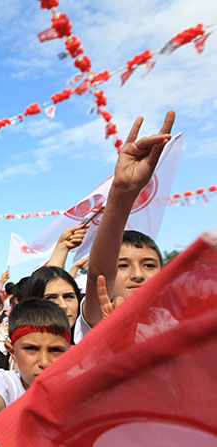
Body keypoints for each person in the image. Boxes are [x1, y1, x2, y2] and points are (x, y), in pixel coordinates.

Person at [84, 111, 174, 331]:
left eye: (149, 265)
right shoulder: (101, 321)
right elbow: (99, 274)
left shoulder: (179, 326)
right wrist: (123, 192)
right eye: (122, 266)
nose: (137, 275)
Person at [0, 299, 71, 447]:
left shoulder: (78, 389)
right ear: (12, 352)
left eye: (56, 350)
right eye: (31, 349)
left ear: (70, 352)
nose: (44, 362)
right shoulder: (8, 383)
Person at [21, 266, 84, 343]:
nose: (63, 306)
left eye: (68, 296)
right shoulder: (23, 349)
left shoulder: (91, 343)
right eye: (51, 298)